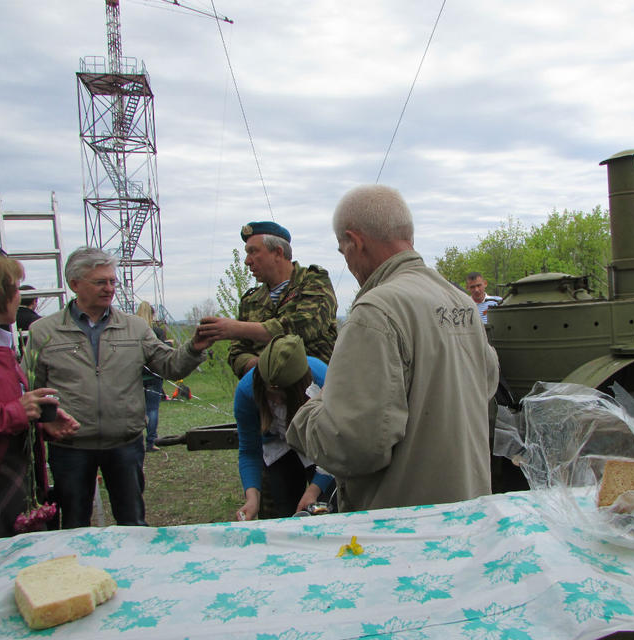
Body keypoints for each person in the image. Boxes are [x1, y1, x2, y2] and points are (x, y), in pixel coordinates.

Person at [286, 185, 500, 512]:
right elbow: (485, 386)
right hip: (468, 519)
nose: (350, 266)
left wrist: (309, 414)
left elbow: (354, 445)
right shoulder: (461, 303)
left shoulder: (376, 312)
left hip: (404, 539)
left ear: (355, 242)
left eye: (344, 253)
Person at [28, 247, 216, 529]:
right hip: (70, 447)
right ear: (75, 284)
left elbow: (169, 366)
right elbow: (30, 388)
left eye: (112, 281)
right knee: (74, 523)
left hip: (124, 444)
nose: (109, 288)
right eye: (100, 282)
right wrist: (46, 423)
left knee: (132, 522)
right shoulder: (44, 332)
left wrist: (193, 348)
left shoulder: (135, 328)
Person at [0, 247, 79, 549]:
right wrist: (13, 414)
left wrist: (37, 419)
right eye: (14, 288)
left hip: (9, 484)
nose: (19, 297)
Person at [196, 221, 338, 378]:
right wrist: (262, 369)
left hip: (316, 390)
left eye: (253, 251)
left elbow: (304, 327)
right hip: (265, 393)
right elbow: (237, 352)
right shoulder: (250, 301)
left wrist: (236, 329)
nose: (247, 261)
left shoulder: (313, 281)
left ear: (278, 252)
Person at [235, 334, 333, 520]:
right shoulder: (246, 392)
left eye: (283, 396)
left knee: (325, 508)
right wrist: (252, 497)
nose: (277, 401)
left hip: (319, 448)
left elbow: (337, 446)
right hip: (278, 451)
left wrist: (314, 489)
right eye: (271, 395)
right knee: (283, 511)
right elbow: (249, 450)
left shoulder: (324, 382)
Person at [136, 301, 165, 453]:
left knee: (137, 410)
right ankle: (151, 441)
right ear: (152, 314)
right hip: (154, 374)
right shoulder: (157, 331)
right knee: (152, 409)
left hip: (136, 375)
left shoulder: (132, 330)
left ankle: (137, 440)